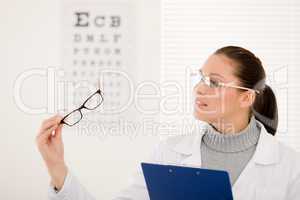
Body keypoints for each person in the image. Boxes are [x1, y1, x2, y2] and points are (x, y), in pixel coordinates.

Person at [36, 46, 300, 200]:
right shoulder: (169, 154)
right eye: (201, 78)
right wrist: (57, 167)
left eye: (215, 83)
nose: (199, 89)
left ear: (246, 97)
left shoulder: (290, 166)